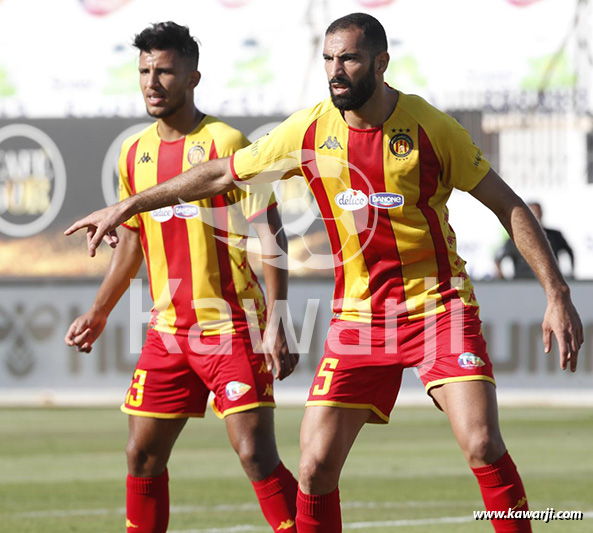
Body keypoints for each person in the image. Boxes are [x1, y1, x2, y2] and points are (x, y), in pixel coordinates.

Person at [65, 13, 584, 533]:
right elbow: (226, 172)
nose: (336, 71)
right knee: (313, 468)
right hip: (358, 319)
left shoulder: (430, 127)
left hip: (436, 308)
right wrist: (129, 205)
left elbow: (508, 204)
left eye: (350, 59)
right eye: (329, 60)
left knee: (482, 444)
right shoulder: (309, 128)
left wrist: (556, 293)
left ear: (381, 63)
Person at [64, 22, 299, 533]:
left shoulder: (225, 141)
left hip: (232, 326)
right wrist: (100, 311)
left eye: (165, 71)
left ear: (193, 76)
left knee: (255, 455)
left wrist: (278, 320)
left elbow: (270, 234)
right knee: (141, 457)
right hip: (168, 331)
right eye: (145, 70)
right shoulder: (133, 154)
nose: (152, 81)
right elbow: (131, 243)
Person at [495, 201, 575, 279]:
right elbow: (498, 258)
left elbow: (569, 252)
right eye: (533, 213)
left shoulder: (555, 235)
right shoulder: (516, 237)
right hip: (523, 281)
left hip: (550, 281)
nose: (536, 216)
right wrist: (502, 277)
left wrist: (571, 273)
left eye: (538, 212)